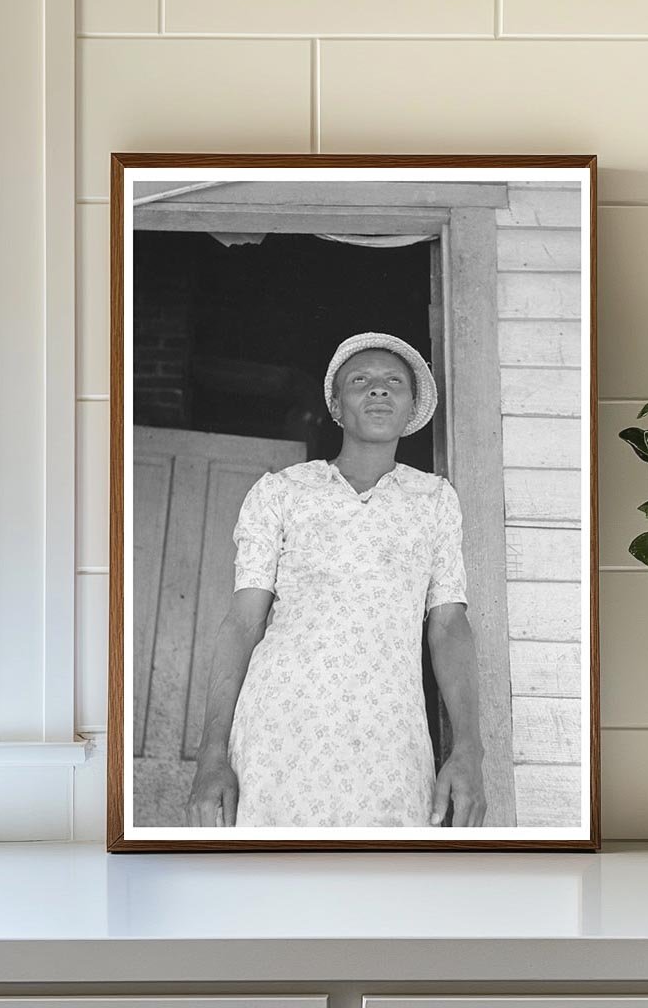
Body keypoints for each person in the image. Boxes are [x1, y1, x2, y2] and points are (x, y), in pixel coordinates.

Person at [185, 331, 486, 827]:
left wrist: (469, 751)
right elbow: (242, 623)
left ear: (412, 408)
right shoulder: (282, 493)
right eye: (360, 381)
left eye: (394, 382)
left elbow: (449, 626)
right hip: (277, 729)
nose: (379, 390)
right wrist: (211, 754)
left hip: (389, 736)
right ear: (336, 406)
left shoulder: (434, 500)